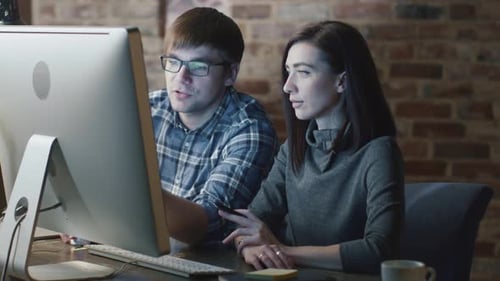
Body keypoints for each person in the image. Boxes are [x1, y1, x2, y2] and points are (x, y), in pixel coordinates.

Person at [219, 21, 404, 274]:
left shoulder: (378, 152)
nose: (287, 86)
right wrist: (248, 247)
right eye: (288, 71)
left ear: (342, 82)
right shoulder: (292, 149)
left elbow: (379, 250)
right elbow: (249, 224)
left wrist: (280, 250)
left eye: (303, 72)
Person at [149, 7, 278, 246]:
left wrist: (136, 192)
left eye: (198, 67)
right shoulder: (149, 108)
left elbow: (205, 224)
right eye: (173, 62)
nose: (181, 77)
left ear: (230, 74)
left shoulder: (250, 130)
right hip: (145, 250)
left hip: (209, 265)